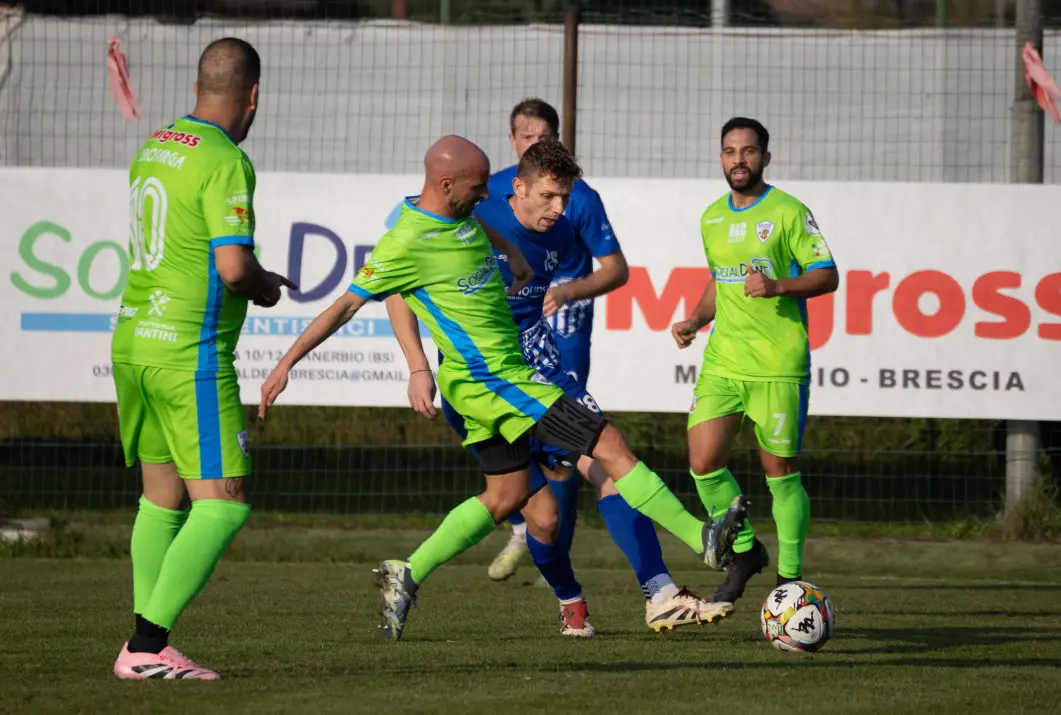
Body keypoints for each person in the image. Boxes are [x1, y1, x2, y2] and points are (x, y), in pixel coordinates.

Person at [258, 135, 748, 641]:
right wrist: (289, 364)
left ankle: (408, 571)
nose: (483, 195)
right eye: (477, 187)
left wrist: (513, 255)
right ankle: (700, 540)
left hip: (493, 381)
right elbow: (347, 305)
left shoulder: (464, 216)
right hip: (497, 381)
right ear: (450, 185)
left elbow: (484, 227)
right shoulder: (407, 240)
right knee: (608, 446)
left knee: (512, 498)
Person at [393, 139, 731, 636]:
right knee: (542, 518)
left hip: (542, 368)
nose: (559, 210)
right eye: (549, 197)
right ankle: (569, 600)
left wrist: (568, 290)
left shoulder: (565, 227)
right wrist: (418, 365)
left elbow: (614, 269)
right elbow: (401, 286)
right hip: (484, 384)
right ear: (519, 184)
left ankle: (661, 591)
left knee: (610, 461)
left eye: (564, 198)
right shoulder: (471, 221)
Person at [110, 38, 294, 680]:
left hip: (136, 339)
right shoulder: (225, 160)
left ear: (198, 87)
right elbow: (233, 266)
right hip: (190, 351)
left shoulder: (154, 147)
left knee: (161, 500)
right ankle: (144, 645)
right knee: (226, 502)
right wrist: (266, 286)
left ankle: (145, 648)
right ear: (253, 95)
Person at [671, 117, 839, 604]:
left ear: (765, 157)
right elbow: (719, 281)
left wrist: (777, 285)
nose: (738, 160)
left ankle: (790, 580)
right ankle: (745, 552)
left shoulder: (788, 212)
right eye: (729, 151)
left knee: (780, 473)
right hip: (724, 359)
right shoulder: (711, 217)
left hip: (778, 364)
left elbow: (827, 275)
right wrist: (695, 320)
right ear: (720, 157)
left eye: (748, 151)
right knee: (703, 464)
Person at [484, 98, 622, 582]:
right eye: (527, 137)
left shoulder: (578, 197)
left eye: (545, 137)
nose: (536, 144)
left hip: (563, 334)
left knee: (571, 442)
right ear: (513, 142)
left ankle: (554, 546)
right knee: (512, 441)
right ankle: (528, 524)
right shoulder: (491, 193)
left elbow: (615, 270)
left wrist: (567, 290)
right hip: (506, 341)